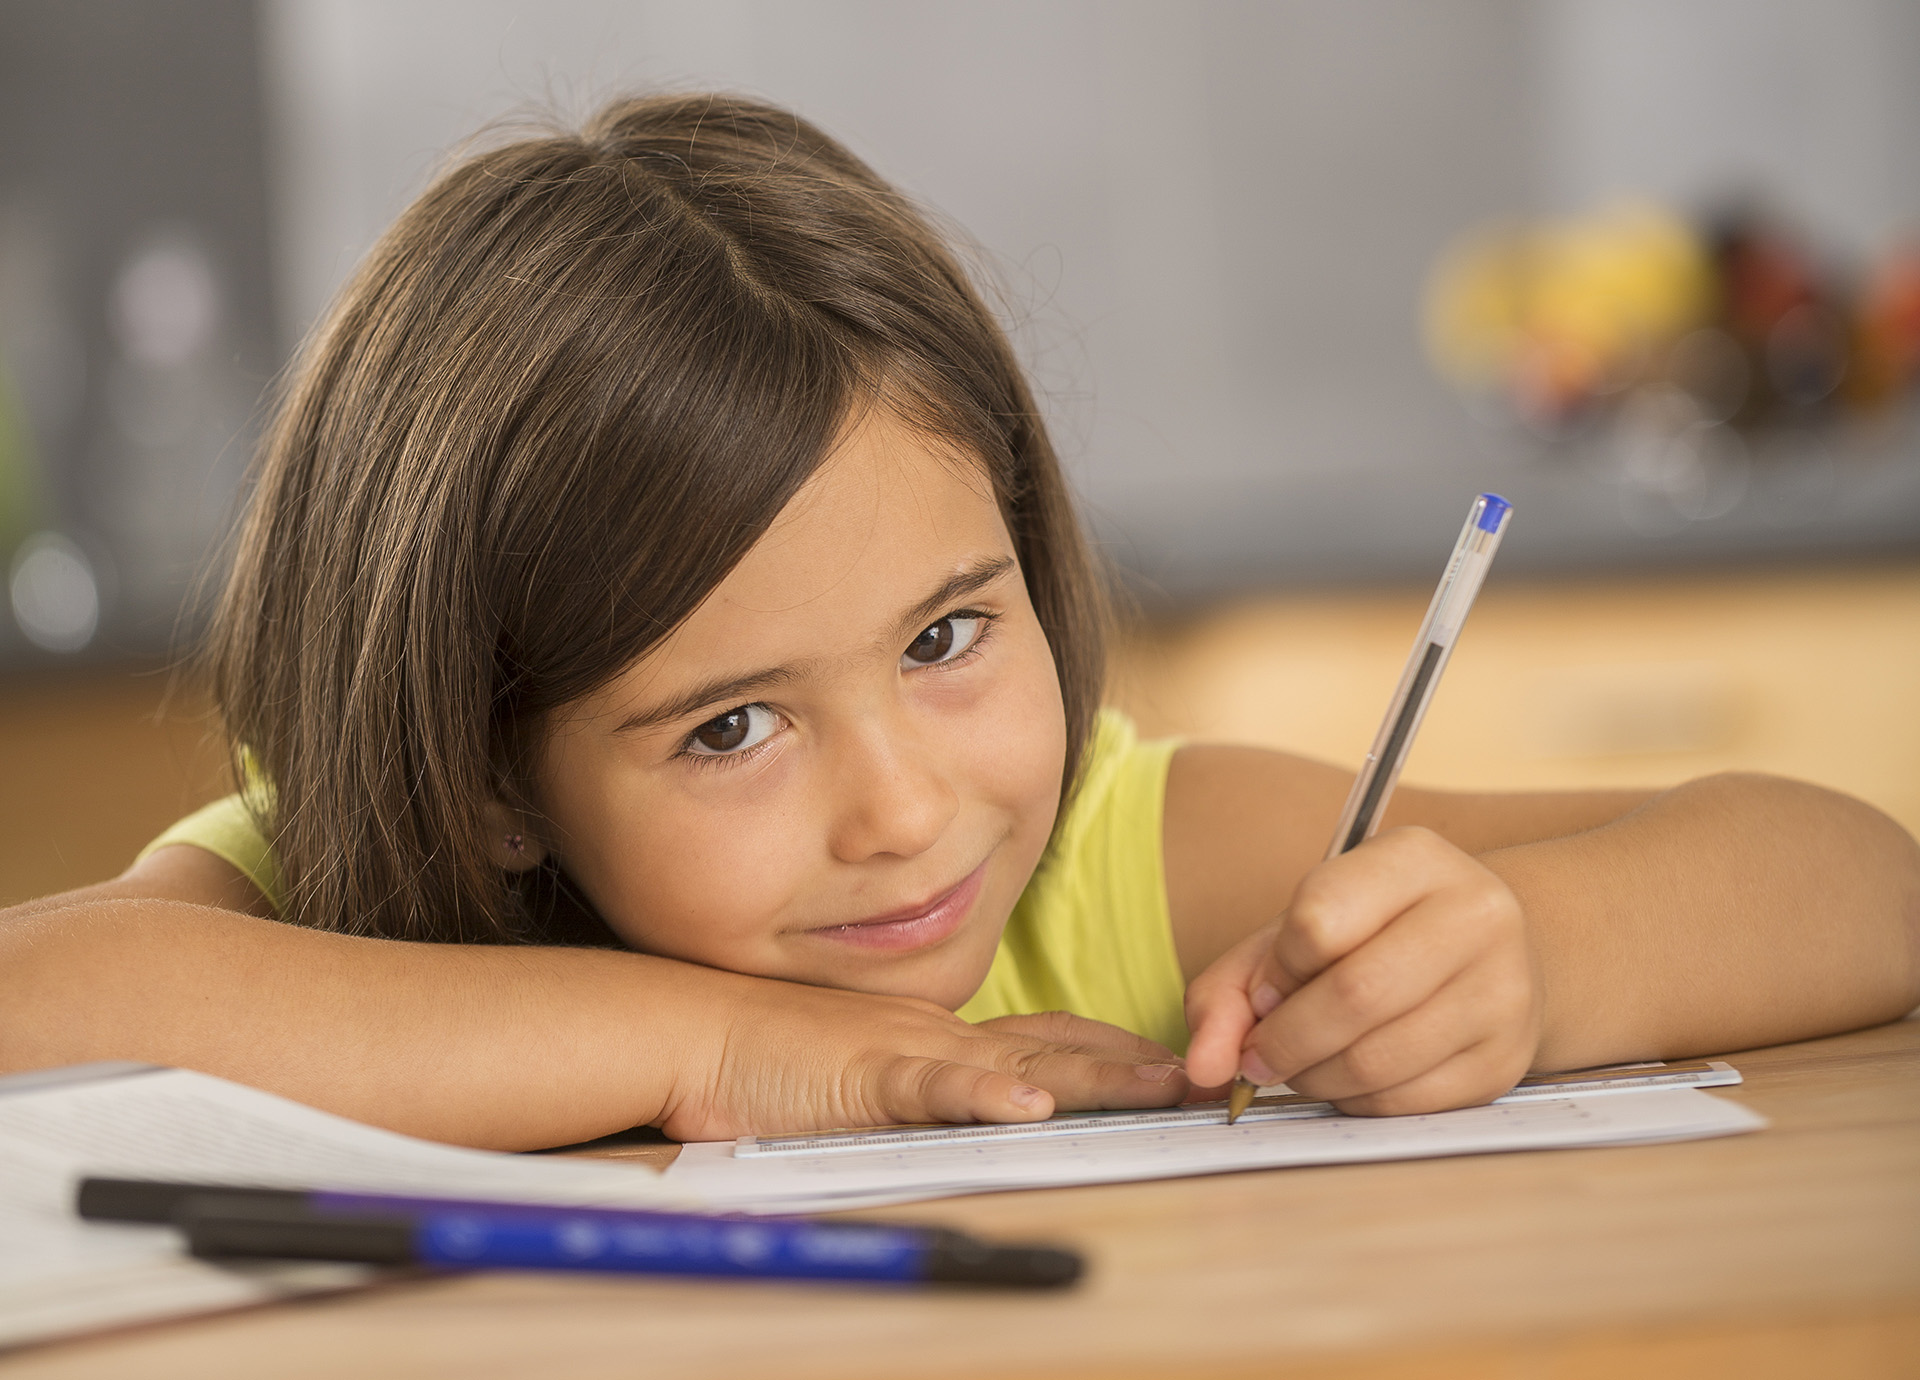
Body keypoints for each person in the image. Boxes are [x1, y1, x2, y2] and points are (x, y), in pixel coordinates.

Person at [2, 95, 1914, 1152]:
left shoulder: (1097, 857)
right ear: (493, 771)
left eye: (943, 639)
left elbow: (1854, 877)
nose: (911, 813)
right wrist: (737, 1056)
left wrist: (1538, 961)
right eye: (729, 726)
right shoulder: (336, 905)